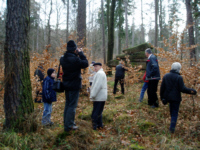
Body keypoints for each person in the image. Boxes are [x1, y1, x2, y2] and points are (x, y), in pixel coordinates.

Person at [160, 62, 197, 133]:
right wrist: (192, 91)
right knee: (174, 114)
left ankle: (171, 128)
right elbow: (182, 89)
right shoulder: (179, 77)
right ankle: (172, 130)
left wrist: (162, 98)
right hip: (176, 99)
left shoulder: (166, 76)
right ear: (179, 69)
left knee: (172, 113)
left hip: (168, 98)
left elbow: (162, 88)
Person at [60, 40, 88, 132]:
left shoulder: (63, 58)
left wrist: (76, 53)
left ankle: (67, 124)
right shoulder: (75, 59)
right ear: (74, 49)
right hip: (74, 85)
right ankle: (69, 126)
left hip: (66, 84)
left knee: (68, 105)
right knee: (72, 106)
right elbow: (85, 63)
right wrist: (81, 53)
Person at [90, 63, 107, 130]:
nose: (95, 68)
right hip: (101, 96)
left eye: (96, 66)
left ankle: (94, 126)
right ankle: (100, 125)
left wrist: (92, 95)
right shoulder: (101, 73)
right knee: (99, 111)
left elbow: (97, 86)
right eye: (94, 67)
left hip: (98, 96)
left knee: (95, 112)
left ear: (100, 66)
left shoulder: (100, 74)